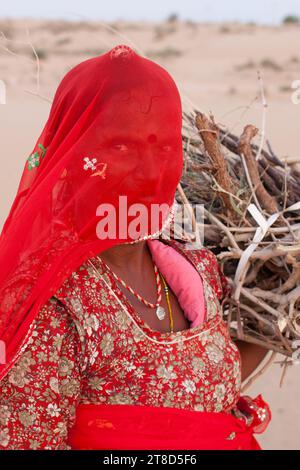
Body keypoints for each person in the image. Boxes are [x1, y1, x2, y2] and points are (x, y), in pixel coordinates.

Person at [0, 44, 271, 450]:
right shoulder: (53, 306)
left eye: (162, 147)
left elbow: (201, 389)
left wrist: (277, 321)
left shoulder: (196, 266)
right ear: (75, 154)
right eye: (121, 147)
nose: (149, 172)